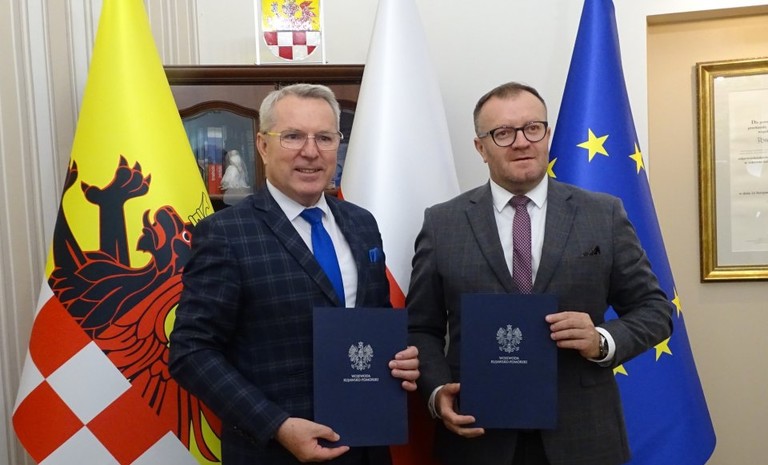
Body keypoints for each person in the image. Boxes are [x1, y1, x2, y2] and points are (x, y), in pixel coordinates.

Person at [406, 81, 673, 465]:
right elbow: (421, 327)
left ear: (547, 135)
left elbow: (655, 310)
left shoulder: (603, 214)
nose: (521, 142)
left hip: (584, 436)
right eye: (503, 133)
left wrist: (601, 340)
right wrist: (436, 391)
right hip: (477, 436)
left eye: (532, 128)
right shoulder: (442, 223)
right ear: (480, 147)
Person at [169, 83, 419, 465]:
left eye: (325, 137)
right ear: (262, 145)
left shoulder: (362, 223)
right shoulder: (226, 233)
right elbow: (191, 352)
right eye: (293, 136)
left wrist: (400, 358)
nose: (311, 151)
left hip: (367, 448)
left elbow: (375, 321)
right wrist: (277, 425)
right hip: (274, 453)